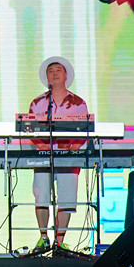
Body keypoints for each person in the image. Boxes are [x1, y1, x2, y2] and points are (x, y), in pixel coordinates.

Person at [29, 57, 88, 252]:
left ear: (66, 75)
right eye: (50, 71)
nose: (54, 74)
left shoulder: (78, 103)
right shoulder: (38, 103)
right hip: (44, 157)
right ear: (46, 77)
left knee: (67, 198)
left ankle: (60, 242)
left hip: (68, 158)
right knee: (41, 195)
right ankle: (43, 238)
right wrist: (42, 147)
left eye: (58, 70)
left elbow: (84, 130)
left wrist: (73, 149)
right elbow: (30, 130)